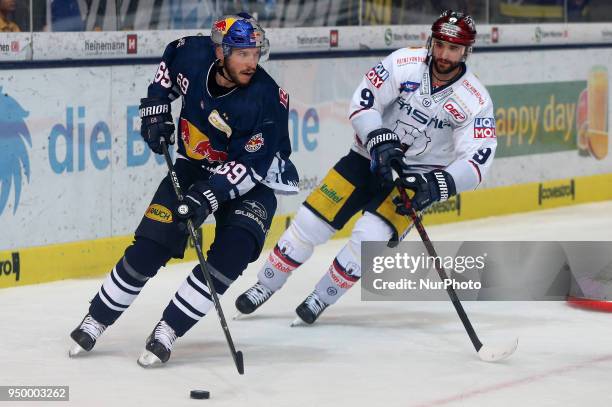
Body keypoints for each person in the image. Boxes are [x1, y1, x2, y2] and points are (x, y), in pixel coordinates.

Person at [235, 10, 497, 325]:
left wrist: (437, 185)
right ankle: (265, 285)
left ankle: (320, 297)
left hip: (414, 179)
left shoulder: (475, 99)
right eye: (439, 44)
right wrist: (379, 139)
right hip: (366, 158)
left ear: (466, 51)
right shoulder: (403, 63)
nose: (443, 54)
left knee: (367, 239)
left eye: (453, 49)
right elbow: (364, 100)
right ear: (431, 40)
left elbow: (478, 158)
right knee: (309, 222)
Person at [68, 13, 298, 367]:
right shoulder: (190, 53)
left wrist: (210, 193)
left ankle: (169, 329)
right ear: (220, 51)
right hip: (193, 166)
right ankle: (97, 317)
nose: (252, 62)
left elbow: (252, 166)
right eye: (242, 54)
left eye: (255, 53)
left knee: (232, 254)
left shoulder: (267, 98)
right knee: (151, 245)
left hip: (254, 182)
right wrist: (156, 112)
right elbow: (168, 71)